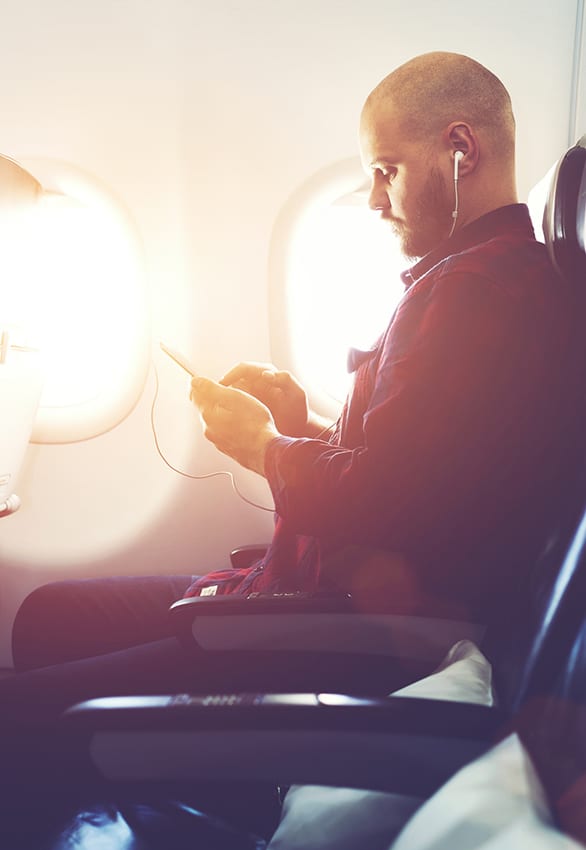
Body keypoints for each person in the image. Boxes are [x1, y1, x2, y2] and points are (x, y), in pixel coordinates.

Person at [5, 51, 582, 719]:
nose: (373, 199)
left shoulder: (474, 292)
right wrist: (300, 422)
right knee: (46, 618)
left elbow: (388, 503)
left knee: (14, 717)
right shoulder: (474, 277)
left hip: (343, 633)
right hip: (311, 599)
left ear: (461, 148)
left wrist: (264, 447)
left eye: (384, 171)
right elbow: (429, 469)